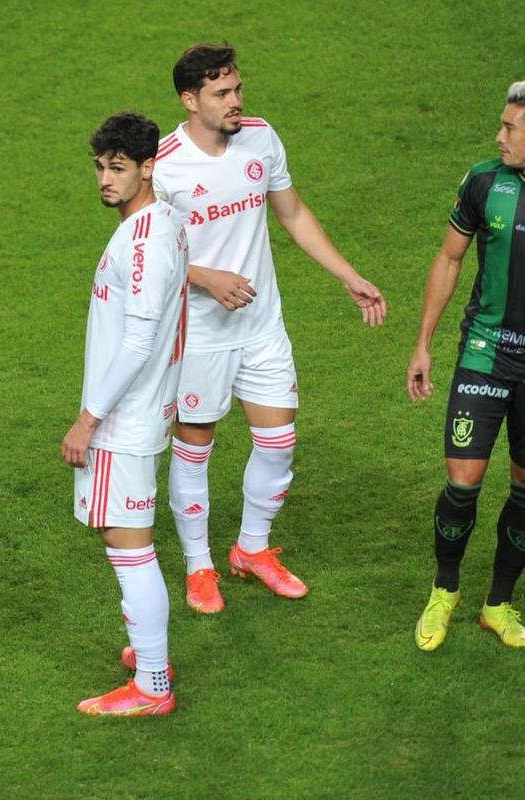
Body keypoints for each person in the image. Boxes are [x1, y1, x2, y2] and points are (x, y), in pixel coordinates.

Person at [152, 43, 387, 613]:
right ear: (190, 100)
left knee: (278, 442)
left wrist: (347, 275)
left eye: (238, 89)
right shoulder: (162, 164)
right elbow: (149, 255)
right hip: (198, 334)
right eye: (222, 94)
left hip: (262, 326)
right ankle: (199, 566)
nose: (237, 102)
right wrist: (206, 277)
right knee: (195, 448)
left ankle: (251, 550)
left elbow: (294, 213)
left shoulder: (260, 137)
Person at [62, 111, 189, 717]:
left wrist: (87, 420)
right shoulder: (162, 218)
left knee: (127, 544)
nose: (105, 180)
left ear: (147, 167)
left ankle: (153, 687)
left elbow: (137, 343)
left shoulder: (143, 242)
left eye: (117, 168)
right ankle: (147, 653)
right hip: (145, 413)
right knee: (130, 543)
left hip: (123, 420)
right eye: (100, 167)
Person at [407, 81, 525, 651]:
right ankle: (444, 590)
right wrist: (424, 344)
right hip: (484, 354)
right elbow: (450, 258)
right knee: (462, 482)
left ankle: (498, 603)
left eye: (510, 128)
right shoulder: (483, 181)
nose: (498, 135)